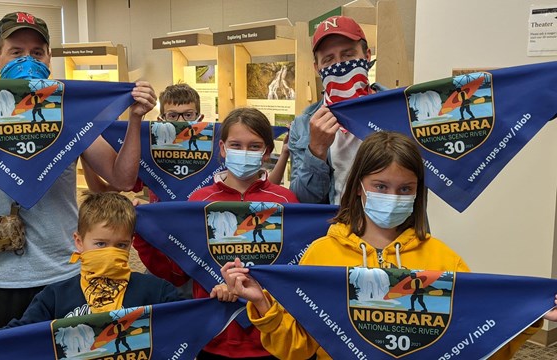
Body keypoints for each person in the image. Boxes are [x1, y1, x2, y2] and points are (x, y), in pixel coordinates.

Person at [0, 11, 156, 333]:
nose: (28, 59)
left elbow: (121, 179)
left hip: (65, 273)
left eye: (37, 52)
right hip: (1, 278)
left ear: (49, 58)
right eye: (16, 52)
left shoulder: (67, 114)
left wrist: (137, 117)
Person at [222, 131, 557, 359]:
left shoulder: (442, 259)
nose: (392, 197)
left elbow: (471, 343)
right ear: (357, 188)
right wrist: (264, 307)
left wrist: (526, 317)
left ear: (417, 193)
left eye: (404, 189)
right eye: (380, 185)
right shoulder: (321, 254)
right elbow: (297, 349)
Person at [0, 191, 181, 359]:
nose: (110, 253)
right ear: (79, 242)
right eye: (101, 244)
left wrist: (220, 296)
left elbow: (193, 317)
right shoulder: (55, 296)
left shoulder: (155, 291)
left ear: (131, 244)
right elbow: (16, 335)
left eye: (121, 245)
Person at [133, 107, 298, 359]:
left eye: (254, 146)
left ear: (266, 152)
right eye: (236, 144)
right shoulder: (200, 201)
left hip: (270, 335)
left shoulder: (285, 201)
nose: (244, 152)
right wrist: (142, 232)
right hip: (215, 334)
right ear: (222, 148)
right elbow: (176, 271)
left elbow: (295, 268)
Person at [289, 15, 386, 204]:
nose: (339, 65)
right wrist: (316, 150)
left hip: (390, 232)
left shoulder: (398, 111)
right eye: (328, 59)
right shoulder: (303, 125)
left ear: (367, 56)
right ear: (317, 68)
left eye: (348, 55)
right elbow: (303, 199)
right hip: (334, 229)